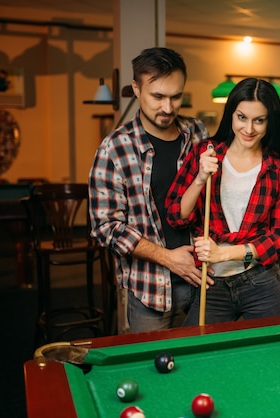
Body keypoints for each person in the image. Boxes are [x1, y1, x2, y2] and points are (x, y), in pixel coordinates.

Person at [88, 47, 213, 334]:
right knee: (148, 367)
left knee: (203, 364)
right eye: (158, 96)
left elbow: (213, 200)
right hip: (149, 287)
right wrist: (168, 258)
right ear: (136, 89)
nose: (168, 108)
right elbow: (105, 226)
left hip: (204, 278)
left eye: (176, 97)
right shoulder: (114, 148)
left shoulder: (197, 134)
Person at [165, 77, 280, 326]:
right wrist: (199, 178)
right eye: (242, 117)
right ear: (231, 114)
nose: (249, 129)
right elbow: (177, 216)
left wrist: (223, 253)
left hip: (261, 282)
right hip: (212, 282)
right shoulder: (205, 153)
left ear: (270, 122)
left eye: (259, 120)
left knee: (267, 359)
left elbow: (279, 238)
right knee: (198, 353)